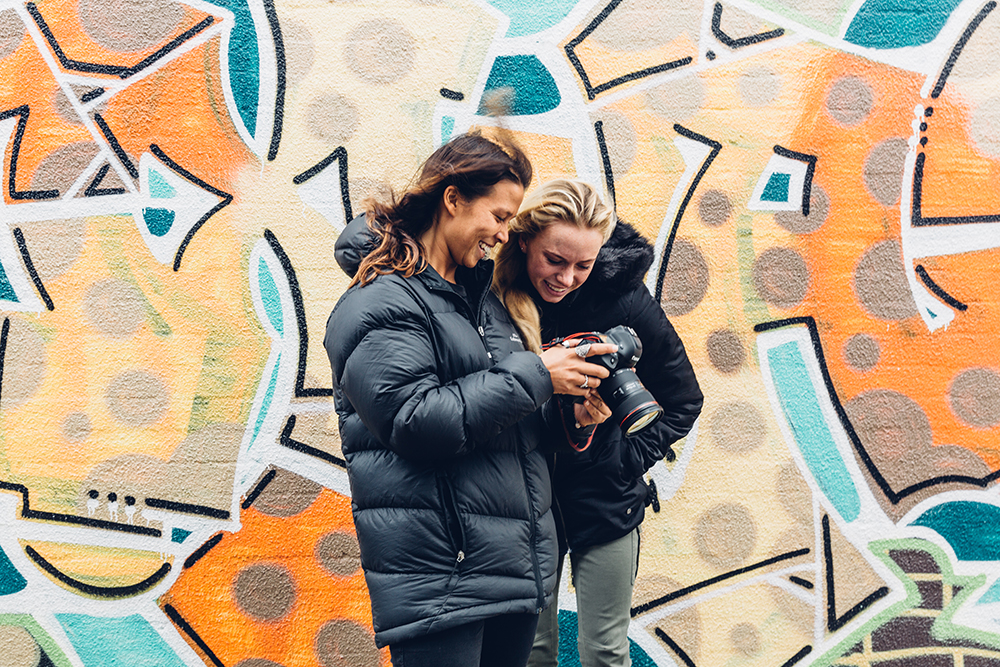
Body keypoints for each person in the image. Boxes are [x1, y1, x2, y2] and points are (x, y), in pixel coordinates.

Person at [324, 135, 617, 667]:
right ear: (453, 199)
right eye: (500, 215)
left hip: (513, 566)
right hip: (445, 576)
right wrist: (537, 375)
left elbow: (501, 424)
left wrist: (570, 418)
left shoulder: (482, 298)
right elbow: (414, 421)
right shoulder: (381, 300)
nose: (506, 234)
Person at [493, 179, 704, 667]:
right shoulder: (491, 294)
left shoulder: (621, 297)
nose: (566, 278)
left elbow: (683, 400)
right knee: (533, 653)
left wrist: (620, 459)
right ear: (525, 239)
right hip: (523, 503)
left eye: (582, 265)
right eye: (554, 260)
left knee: (604, 653)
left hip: (605, 502)